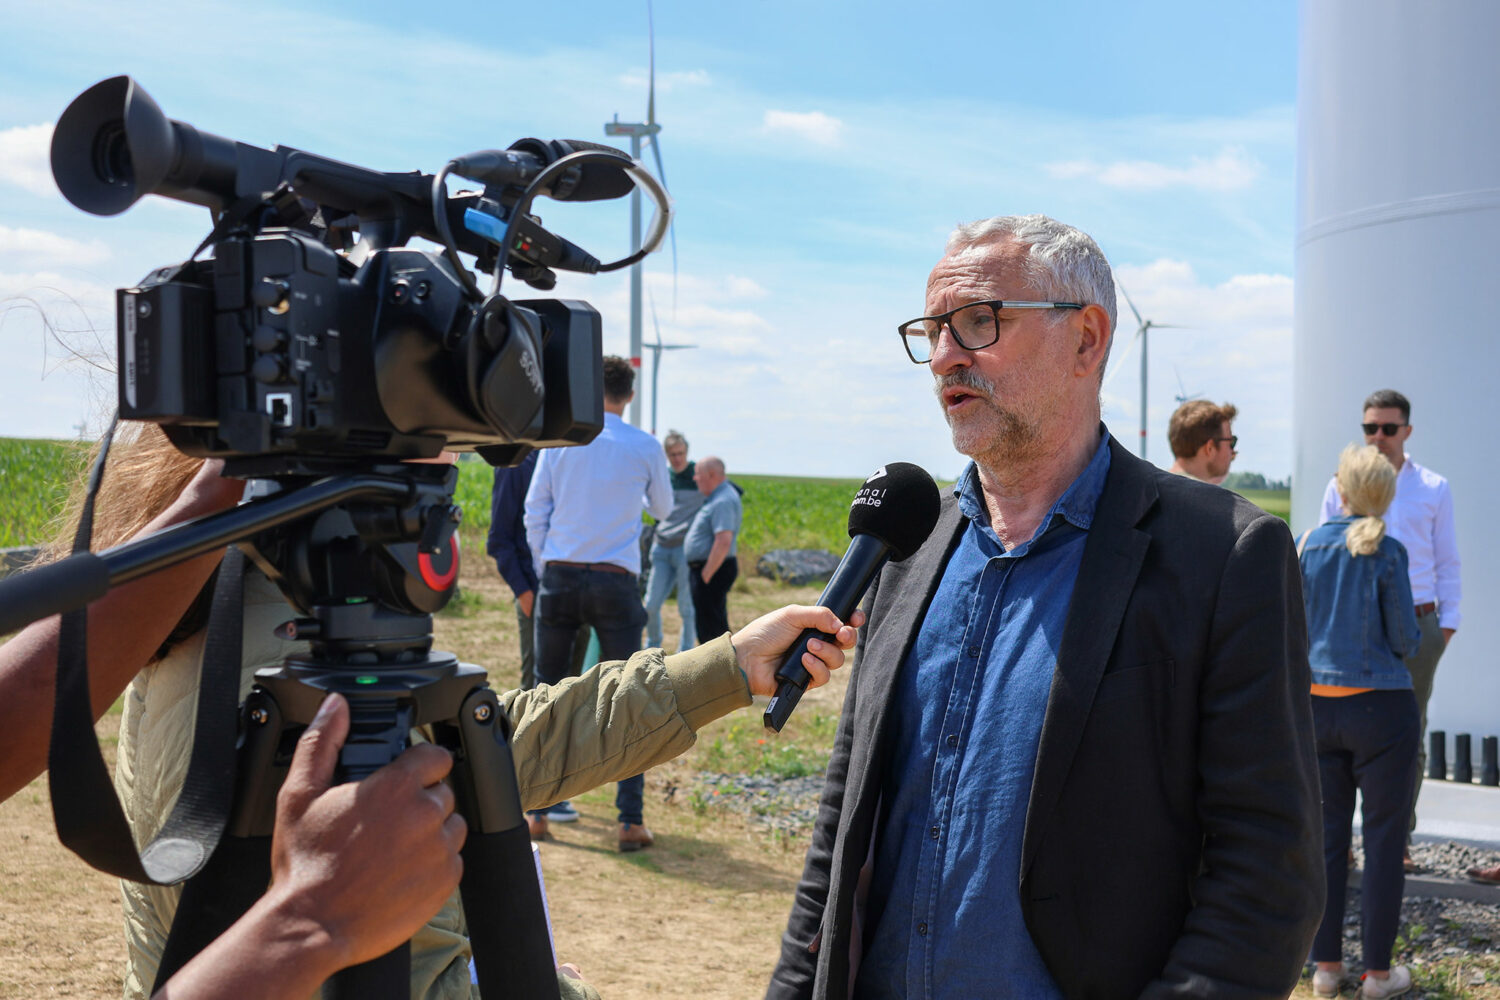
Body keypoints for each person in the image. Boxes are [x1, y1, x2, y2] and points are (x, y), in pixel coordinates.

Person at [0, 424, 860, 1000]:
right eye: (422, 440)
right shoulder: (282, 671)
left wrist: (722, 669)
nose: (441, 484)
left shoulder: (214, 608)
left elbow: (476, 751)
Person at [768, 214, 1322, 1000]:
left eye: (977, 321)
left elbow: (1268, 869)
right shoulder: (909, 548)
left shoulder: (1221, 555)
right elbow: (841, 828)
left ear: (1087, 340)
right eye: (932, 329)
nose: (945, 355)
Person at [524, 355, 673, 850]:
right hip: (615, 580)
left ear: (591, 391)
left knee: (545, 694)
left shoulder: (560, 440)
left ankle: (536, 811)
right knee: (629, 693)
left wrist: (549, 568)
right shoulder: (644, 445)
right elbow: (664, 508)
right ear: (629, 395)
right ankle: (629, 820)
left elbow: (534, 511)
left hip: (561, 576)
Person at [1303, 445, 1423, 999]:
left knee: (1325, 842)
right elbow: (1405, 641)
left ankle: (1325, 970)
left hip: (1318, 709)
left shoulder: (1306, 543)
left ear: (1343, 491)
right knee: (1383, 843)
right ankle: (1378, 976)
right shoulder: (1390, 552)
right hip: (1382, 712)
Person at [1319, 389, 1460, 853]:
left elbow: (1447, 561)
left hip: (1415, 627)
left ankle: (1395, 837)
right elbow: (1325, 551)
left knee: (1409, 732)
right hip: (1349, 626)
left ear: (1407, 431)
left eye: (1388, 428)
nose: (1378, 437)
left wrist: (1445, 626)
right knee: (1342, 736)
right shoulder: (1338, 484)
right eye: (1369, 428)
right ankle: (1337, 843)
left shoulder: (1434, 488)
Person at [486, 451, 590, 695]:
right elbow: (498, 540)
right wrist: (523, 591)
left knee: (573, 692)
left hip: (580, 591)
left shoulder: (573, 457)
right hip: (536, 593)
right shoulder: (515, 462)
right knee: (537, 695)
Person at [643, 430, 704, 652]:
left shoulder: (699, 476)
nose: (677, 458)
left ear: (686, 452)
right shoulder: (663, 477)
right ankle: (652, 648)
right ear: (667, 455)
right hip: (661, 547)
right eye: (672, 454)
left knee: (686, 608)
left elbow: (724, 494)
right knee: (650, 604)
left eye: (680, 453)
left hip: (685, 550)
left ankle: (685, 652)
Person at [683, 456, 742, 646]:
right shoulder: (718, 497)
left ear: (711, 475)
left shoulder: (723, 500)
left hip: (714, 569)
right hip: (711, 568)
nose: (695, 478)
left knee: (712, 627)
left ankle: (719, 669)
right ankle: (719, 668)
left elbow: (723, 541)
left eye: (698, 474)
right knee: (710, 623)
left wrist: (706, 574)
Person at [1166, 398, 1238, 483]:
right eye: (1231, 442)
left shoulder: (1151, 488)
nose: (1232, 452)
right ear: (1210, 448)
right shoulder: (1210, 495)